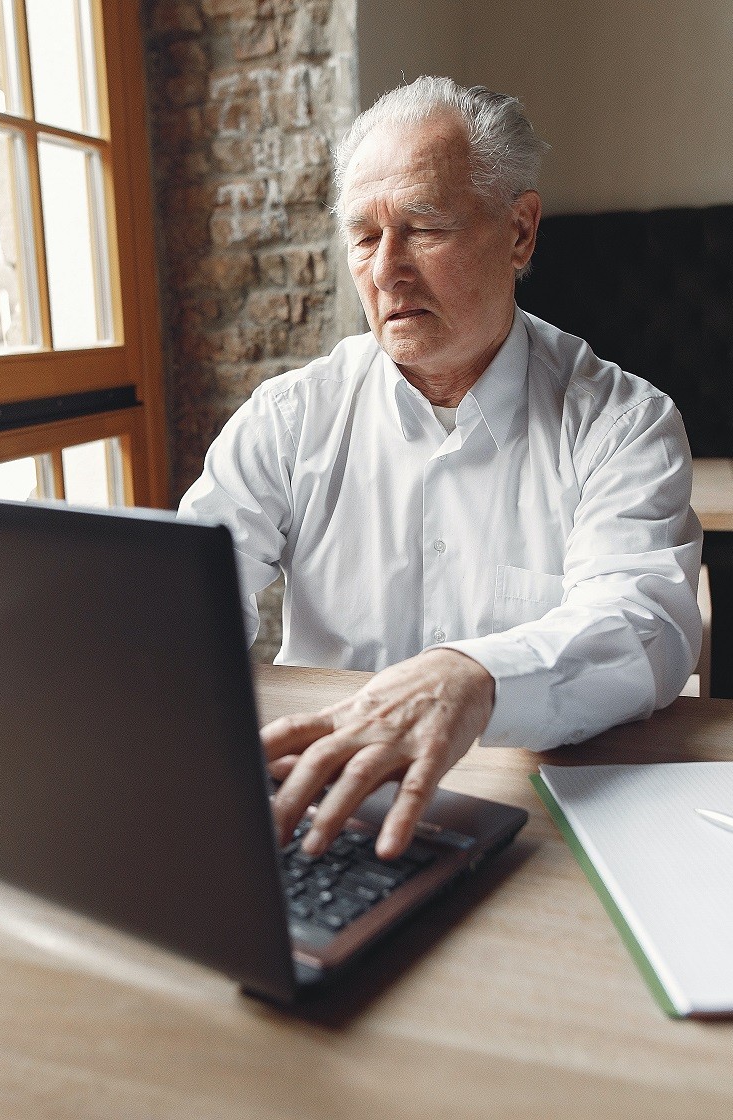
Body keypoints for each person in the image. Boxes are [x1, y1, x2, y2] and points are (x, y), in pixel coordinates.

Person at [179, 77, 703, 862]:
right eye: (363, 236)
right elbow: (194, 588)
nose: (387, 271)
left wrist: (472, 676)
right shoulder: (291, 417)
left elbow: (643, 622)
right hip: (313, 803)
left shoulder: (622, 423)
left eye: (421, 227)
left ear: (520, 231)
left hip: (529, 821)